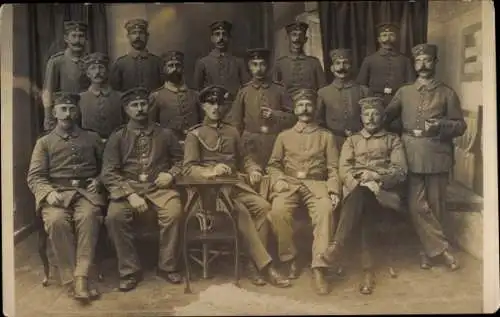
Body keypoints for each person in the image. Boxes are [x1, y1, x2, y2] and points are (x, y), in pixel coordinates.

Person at [183, 85, 291, 288]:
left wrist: (253, 169)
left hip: (236, 188)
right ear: (203, 106)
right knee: (240, 212)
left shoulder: (232, 132)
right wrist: (211, 171)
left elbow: (245, 158)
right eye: (210, 103)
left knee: (264, 207)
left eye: (219, 103)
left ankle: (252, 263)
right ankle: (265, 267)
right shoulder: (195, 135)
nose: (215, 107)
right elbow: (188, 169)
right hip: (209, 194)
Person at [384, 43, 466, 272]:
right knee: (415, 206)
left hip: (438, 155)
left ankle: (427, 252)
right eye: (418, 60)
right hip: (410, 154)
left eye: (428, 60)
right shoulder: (404, 91)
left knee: (436, 206)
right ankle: (441, 249)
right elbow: (386, 118)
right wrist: (401, 133)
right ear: (414, 63)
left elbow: (460, 126)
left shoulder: (447, 93)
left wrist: (440, 125)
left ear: (435, 63)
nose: (423, 64)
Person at [320, 96, 408, 295]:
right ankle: (367, 272)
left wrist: (376, 176)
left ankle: (337, 247)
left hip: (383, 195)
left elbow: (400, 171)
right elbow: (344, 169)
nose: (370, 118)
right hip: (357, 192)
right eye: (366, 114)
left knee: (364, 199)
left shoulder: (393, 140)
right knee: (363, 201)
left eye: (375, 113)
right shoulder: (352, 141)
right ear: (361, 117)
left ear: (382, 117)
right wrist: (359, 184)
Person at [101, 87, 184, 292]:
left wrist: (171, 174)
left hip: (160, 188)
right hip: (129, 189)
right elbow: (108, 172)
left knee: (174, 212)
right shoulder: (118, 137)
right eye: (134, 106)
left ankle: (167, 266)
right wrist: (129, 194)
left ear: (149, 106)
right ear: (126, 109)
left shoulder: (165, 134)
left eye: (143, 104)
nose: (140, 109)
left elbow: (182, 162)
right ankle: (129, 271)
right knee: (114, 217)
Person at [27, 92, 106, 302]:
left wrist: (98, 180)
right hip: (57, 194)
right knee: (56, 221)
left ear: (77, 111)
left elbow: (108, 167)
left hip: (85, 194)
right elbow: (35, 176)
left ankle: (81, 276)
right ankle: (72, 280)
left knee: (89, 217)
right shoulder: (44, 143)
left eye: (72, 109)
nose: (68, 114)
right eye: (63, 109)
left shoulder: (92, 138)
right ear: (54, 112)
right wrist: (48, 193)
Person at [266, 88, 341, 295]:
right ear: (295, 110)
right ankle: (290, 258)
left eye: (308, 104)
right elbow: (273, 165)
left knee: (325, 210)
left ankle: (319, 267)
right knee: (277, 212)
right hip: (289, 183)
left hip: (317, 184)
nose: (305, 109)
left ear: (315, 108)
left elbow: (333, 168)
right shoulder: (284, 136)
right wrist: (278, 179)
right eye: (300, 105)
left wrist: (333, 190)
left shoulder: (326, 136)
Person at [229, 48, 295, 170]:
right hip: (250, 145)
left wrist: (275, 115)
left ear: (268, 66)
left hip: (275, 143)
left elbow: (293, 118)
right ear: (249, 67)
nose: (258, 69)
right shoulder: (244, 92)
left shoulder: (280, 90)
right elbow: (236, 123)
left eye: (262, 64)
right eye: (255, 65)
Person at [317, 48, 372, 151]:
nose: (341, 67)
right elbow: (319, 121)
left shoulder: (364, 91)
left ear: (351, 67)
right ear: (332, 68)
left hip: (361, 141)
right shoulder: (323, 93)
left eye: (345, 63)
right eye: (338, 63)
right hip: (333, 142)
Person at [42, 21, 90, 131]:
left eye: (81, 36)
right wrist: (49, 118)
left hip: (87, 118)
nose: (77, 40)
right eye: (74, 36)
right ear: (66, 39)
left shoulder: (90, 62)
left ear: (86, 39)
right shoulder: (56, 62)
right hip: (64, 116)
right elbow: (47, 93)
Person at [356, 23, 415, 109]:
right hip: (374, 103)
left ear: (397, 38)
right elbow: (361, 85)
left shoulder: (405, 60)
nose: (388, 38)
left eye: (391, 35)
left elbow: (411, 84)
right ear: (379, 39)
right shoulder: (369, 60)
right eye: (384, 35)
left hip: (398, 102)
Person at [193, 20, 250, 108]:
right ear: (212, 38)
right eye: (217, 34)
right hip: (211, 109)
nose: (221, 38)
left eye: (224, 34)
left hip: (234, 109)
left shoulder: (239, 62)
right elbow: (197, 91)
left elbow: (246, 88)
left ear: (229, 38)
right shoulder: (203, 63)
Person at [149, 50, 202, 142]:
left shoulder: (195, 95)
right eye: (170, 66)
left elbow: (203, 123)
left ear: (183, 68)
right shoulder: (156, 96)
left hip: (194, 143)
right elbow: (151, 125)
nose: (174, 69)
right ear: (164, 69)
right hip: (168, 144)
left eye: (178, 65)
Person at [79, 52, 124, 141]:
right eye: (93, 68)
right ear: (88, 74)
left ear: (107, 72)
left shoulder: (120, 97)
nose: (97, 72)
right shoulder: (80, 99)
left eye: (101, 67)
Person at [109, 19, 164, 92]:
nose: (137, 36)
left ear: (147, 36)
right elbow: (115, 91)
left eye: (141, 33)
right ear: (128, 36)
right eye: (134, 33)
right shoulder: (120, 64)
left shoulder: (157, 62)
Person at [273, 21, 326, 92]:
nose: (297, 38)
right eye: (294, 35)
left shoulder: (314, 63)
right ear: (287, 38)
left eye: (301, 35)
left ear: (305, 39)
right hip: (287, 102)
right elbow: (275, 91)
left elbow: (322, 90)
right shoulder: (280, 64)